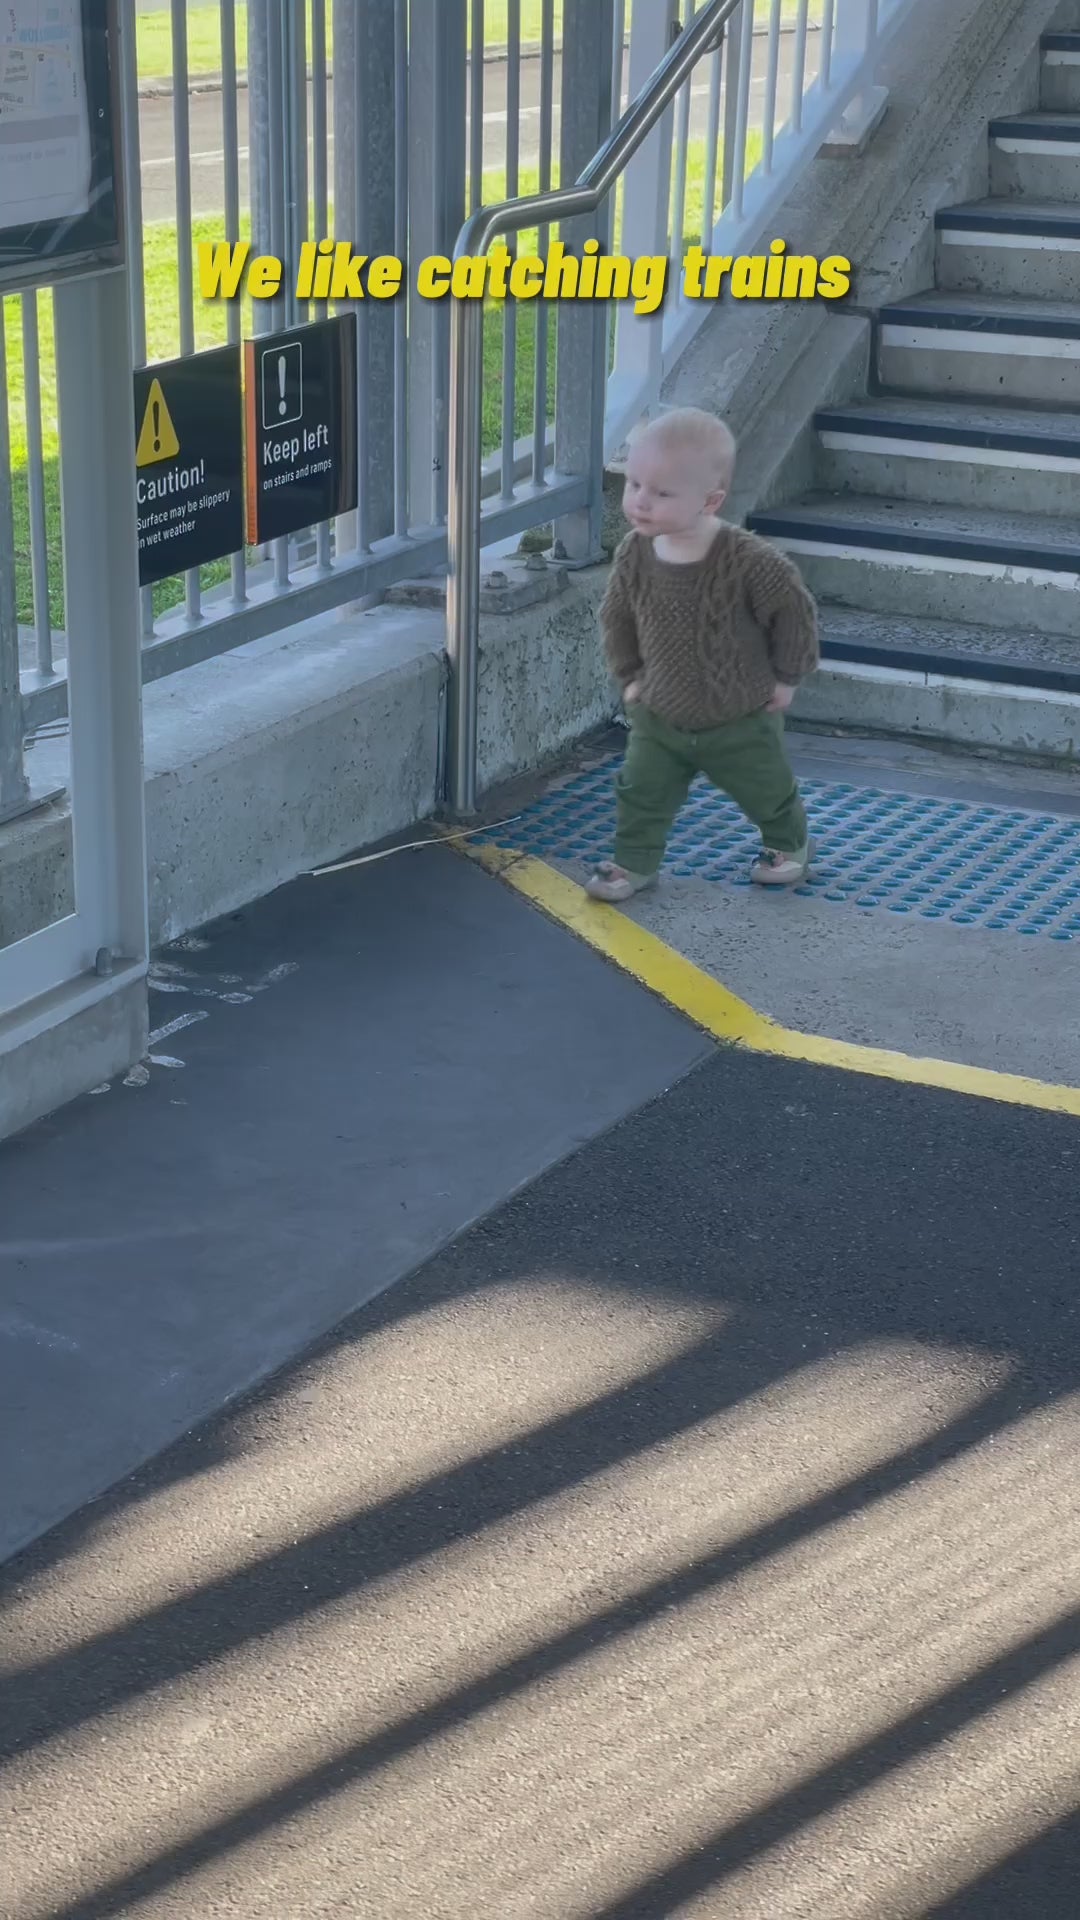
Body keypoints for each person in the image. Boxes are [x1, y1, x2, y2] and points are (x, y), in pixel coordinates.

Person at [585, 406, 820, 903]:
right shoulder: (635, 552)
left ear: (710, 501)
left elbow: (793, 610)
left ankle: (788, 844)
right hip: (659, 714)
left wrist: (787, 676)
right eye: (634, 484)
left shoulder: (748, 560)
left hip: (739, 715)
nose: (641, 502)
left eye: (662, 493)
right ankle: (634, 862)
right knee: (641, 791)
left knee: (766, 787)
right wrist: (628, 674)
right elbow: (617, 616)